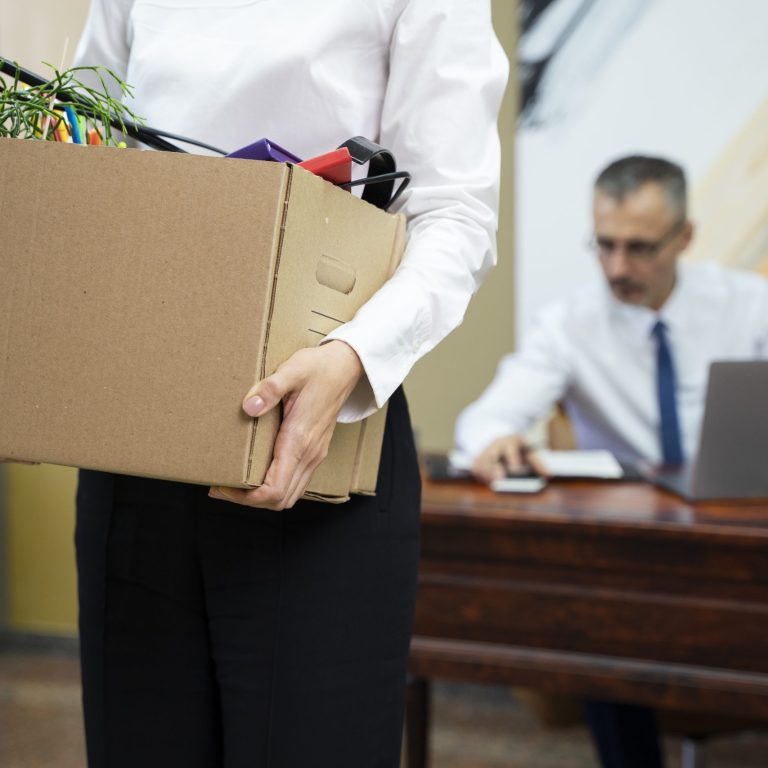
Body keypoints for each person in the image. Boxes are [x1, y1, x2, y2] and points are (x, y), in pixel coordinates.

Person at [68, 2, 508, 767]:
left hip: (323, 438)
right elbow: (82, 134)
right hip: (134, 435)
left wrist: (350, 357)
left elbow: (457, 212)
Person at [455, 155, 768, 768]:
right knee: (602, 625)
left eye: (640, 248)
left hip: (742, 541)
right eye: (604, 245)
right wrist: (495, 443)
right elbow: (483, 421)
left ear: (685, 238)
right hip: (635, 555)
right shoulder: (570, 325)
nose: (618, 267)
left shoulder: (751, 308)